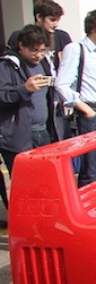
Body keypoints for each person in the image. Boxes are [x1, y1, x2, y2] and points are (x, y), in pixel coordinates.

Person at [56, 9, 96, 185]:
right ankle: (86, 208)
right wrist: (85, 109)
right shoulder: (76, 49)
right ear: (92, 28)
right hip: (89, 112)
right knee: (89, 169)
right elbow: (62, 84)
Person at [0, 25, 64, 178]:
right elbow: (2, 96)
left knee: (46, 179)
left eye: (42, 51)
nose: (38, 55)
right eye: (34, 50)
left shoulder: (44, 63)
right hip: (19, 136)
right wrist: (24, 89)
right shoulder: (7, 66)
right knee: (25, 181)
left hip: (44, 131)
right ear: (21, 46)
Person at [7, 0, 74, 71]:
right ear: (39, 17)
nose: (56, 24)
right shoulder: (19, 36)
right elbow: (9, 64)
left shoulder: (62, 37)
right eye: (52, 20)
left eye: (58, 20)